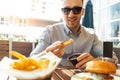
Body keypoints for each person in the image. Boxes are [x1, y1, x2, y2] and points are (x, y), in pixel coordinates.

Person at [30, 0, 118, 68]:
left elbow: (112, 57)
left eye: (76, 9)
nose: (71, 15)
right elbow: (31, 60)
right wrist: (47, 54)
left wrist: (95, 61)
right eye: (66, 10)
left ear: (83, 11)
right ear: (62, 12)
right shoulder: (50, 32)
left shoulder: (91, 34)